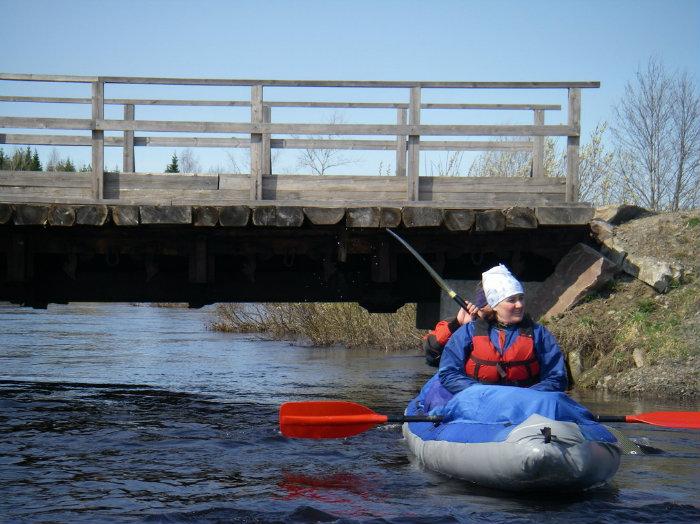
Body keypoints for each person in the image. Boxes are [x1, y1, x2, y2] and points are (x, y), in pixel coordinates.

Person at [438, 264, 568, 393]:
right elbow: (448, 373)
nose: (519, 305)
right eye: (511, 300)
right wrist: (482, 393)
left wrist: (524, 396)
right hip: (479, 401)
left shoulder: (539, 334)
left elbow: (556, 378)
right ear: (494, 305)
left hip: (524, 403)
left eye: (521, 298)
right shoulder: (468, 332)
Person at [422, 283, 492, 367]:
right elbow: (431, 354)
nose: (512, 305)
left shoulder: (509, 329)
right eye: (509, 300)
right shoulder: (456, 324)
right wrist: (458, 323)